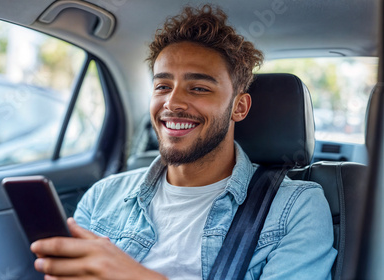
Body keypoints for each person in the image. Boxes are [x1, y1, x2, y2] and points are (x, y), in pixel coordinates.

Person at [30, 4, 337, 280]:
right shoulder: (103, 197)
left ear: (239, 107)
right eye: (162, 85)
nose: (172, 102)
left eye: (199, 88)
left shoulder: (297, 207)